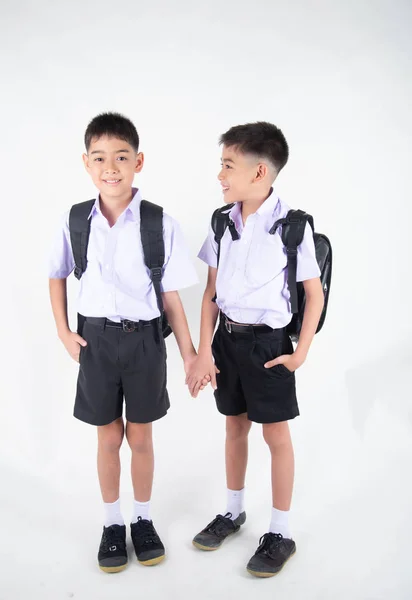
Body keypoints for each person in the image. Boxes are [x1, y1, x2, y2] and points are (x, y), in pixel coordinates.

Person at [49, 112, 200, 573]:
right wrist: (63, 332)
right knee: (108, 436)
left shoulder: (158, 222)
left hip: (145, 342)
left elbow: (171, 297)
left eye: (121, 157)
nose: (110, 166)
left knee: (141, 436)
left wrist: (190, 353)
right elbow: (56, 276)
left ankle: (142, 520)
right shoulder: (76, 219)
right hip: (94, 340)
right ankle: (113, 524)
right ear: (86, 163)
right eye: (100, 158)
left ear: (138, 161)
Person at [186, 122, 324, 578]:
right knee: (235, 426)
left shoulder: (292, 227)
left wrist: (299, 352)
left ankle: (280, 532)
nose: (220, 176)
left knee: (276, 436)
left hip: (269, 344)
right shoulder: (222, 222)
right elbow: (210, 292)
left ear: (260, 171)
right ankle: (232, 511)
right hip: (227, 340)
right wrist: (205, 351)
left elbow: (314, 293)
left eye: (228, 165)